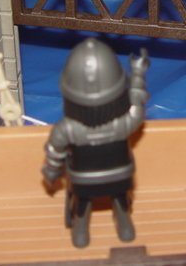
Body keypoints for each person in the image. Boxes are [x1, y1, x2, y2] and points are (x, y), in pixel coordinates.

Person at [42, 38, 150, 248]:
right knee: (121, 198)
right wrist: (138, 73)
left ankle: (81, 232)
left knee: (82, 202)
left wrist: (52, 171)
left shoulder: (67, 129)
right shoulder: (124, 123)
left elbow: (55, 152)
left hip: (82, 178)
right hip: (120, 173)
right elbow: (137, 101)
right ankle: (125, 226)